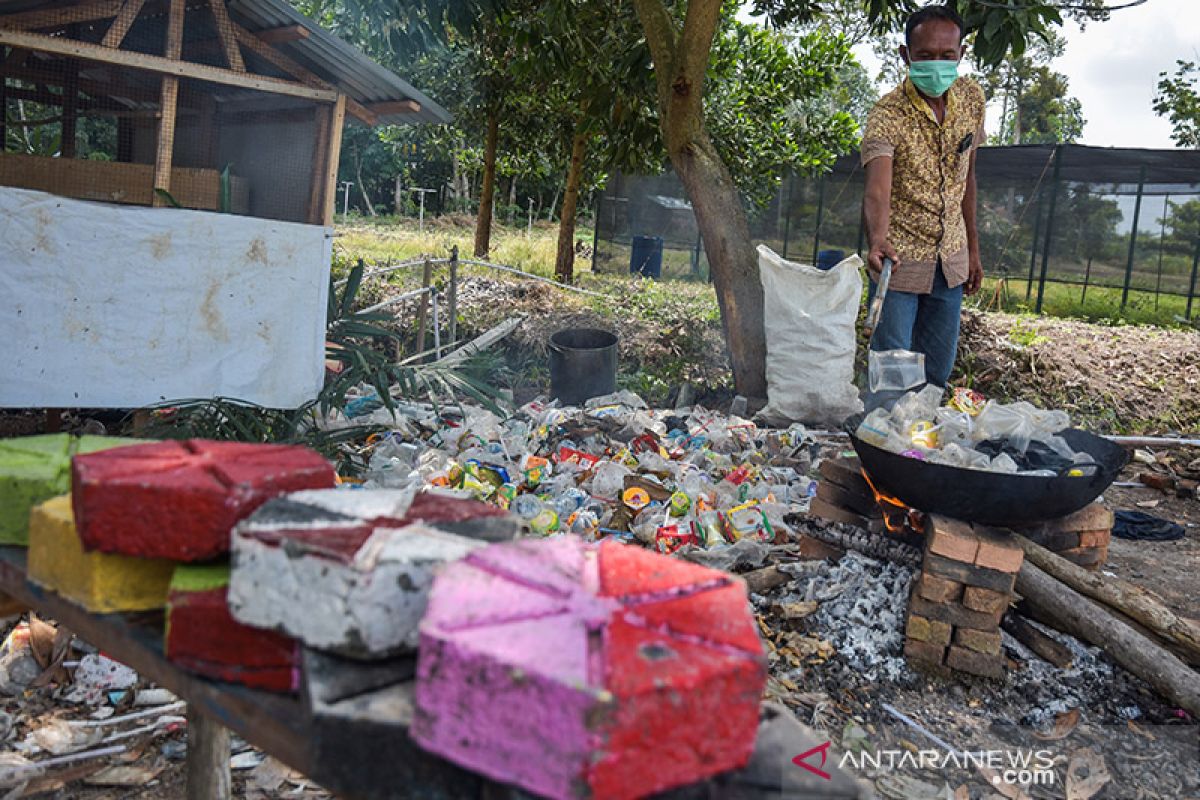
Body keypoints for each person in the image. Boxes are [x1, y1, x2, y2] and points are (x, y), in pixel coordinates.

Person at [861, 4, 985, 391]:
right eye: (926, 55)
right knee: (894, 372)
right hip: (899, 262)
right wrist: (878, 238)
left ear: (961, 54)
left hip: (951, 259)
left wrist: (974, 250)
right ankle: (884, 446)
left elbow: (968, 178)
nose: (937, 65)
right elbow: (878, 188)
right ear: (906, 56)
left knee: (937, 372)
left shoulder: (971, 99)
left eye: (947, 56)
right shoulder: (887, 114)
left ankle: (920, 449)